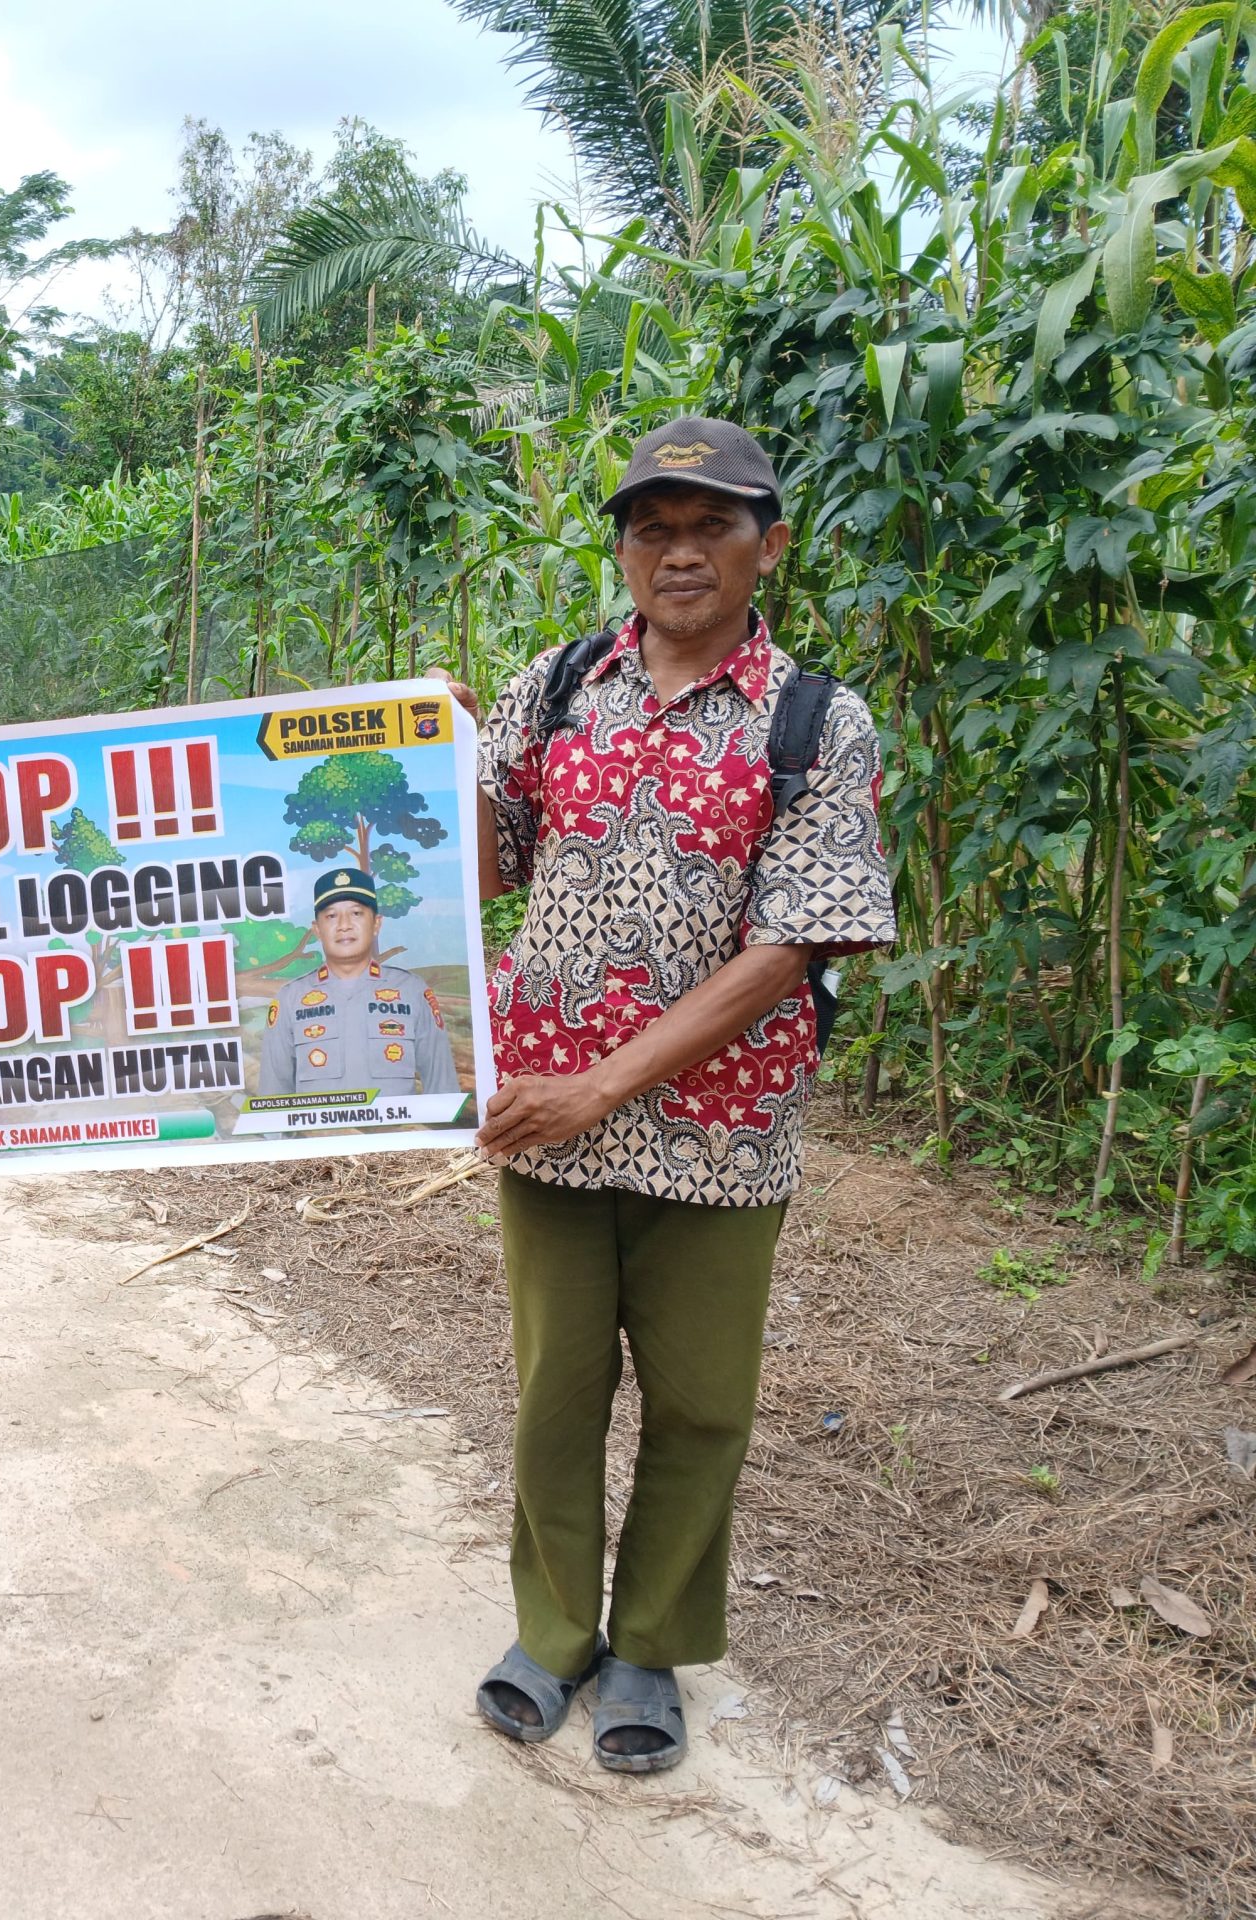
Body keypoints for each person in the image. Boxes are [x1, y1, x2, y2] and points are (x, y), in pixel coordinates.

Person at [460, 417, 894, 1773]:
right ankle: (553, 1632)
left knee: (701, 1400)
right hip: (544, 1115)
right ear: (623, 551)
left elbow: (791, 945)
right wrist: (433, 759)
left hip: (719, 1129)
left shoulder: (815, 721)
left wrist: (603, 1088)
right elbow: (483, 865)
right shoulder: (558, 686)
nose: (681, 552)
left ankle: (647, 1643)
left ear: (770, 544)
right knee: (555, 1394)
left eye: (713, 526)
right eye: (653, 527)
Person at [255, 866, 458, 1099]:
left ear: (376, 923)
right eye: (331, 916)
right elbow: (273, 1097)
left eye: (356, 913)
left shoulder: (412, 992)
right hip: (321, 1125)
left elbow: (443, 1090)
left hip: (398, 1125)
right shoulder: (290, 999)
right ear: (317, 929)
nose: (344, 925)